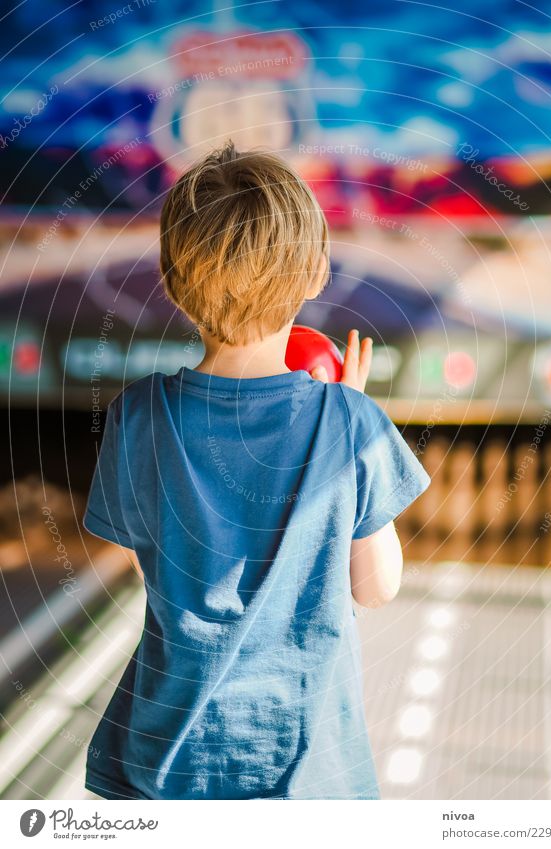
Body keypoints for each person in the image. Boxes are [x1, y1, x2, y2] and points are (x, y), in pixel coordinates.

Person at [83, 141, 430, 800]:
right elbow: (377, 586)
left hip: (165, 767)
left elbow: (151, 567)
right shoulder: (350, 424)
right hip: (302, 774)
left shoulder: (139, 417)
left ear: (173, 278)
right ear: (314, 272)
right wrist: (349, 413)